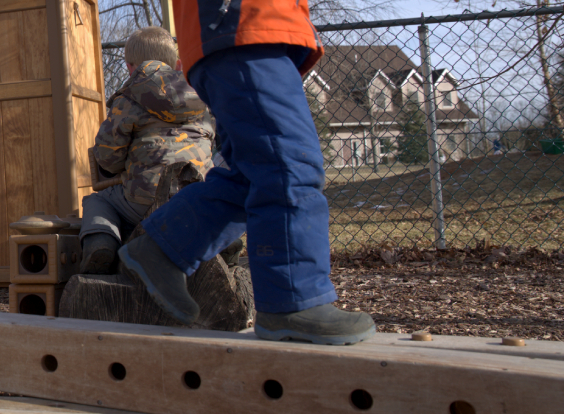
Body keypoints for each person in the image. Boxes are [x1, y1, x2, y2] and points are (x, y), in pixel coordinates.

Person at [118, 0, 376, 345]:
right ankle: (292, 301)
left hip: (247, 28)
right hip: (242, 24)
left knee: (251, 171)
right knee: (287, 163)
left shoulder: (130, 97)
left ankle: (166, 246)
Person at [79, 27, 215, 275]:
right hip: (197, 195)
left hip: (145, 198)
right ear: (178, 63)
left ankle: (102, 241)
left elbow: (108, 159)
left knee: (98, 200)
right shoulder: (202, 96)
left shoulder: (128, 98)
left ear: (130, 67)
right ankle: (220, 242)